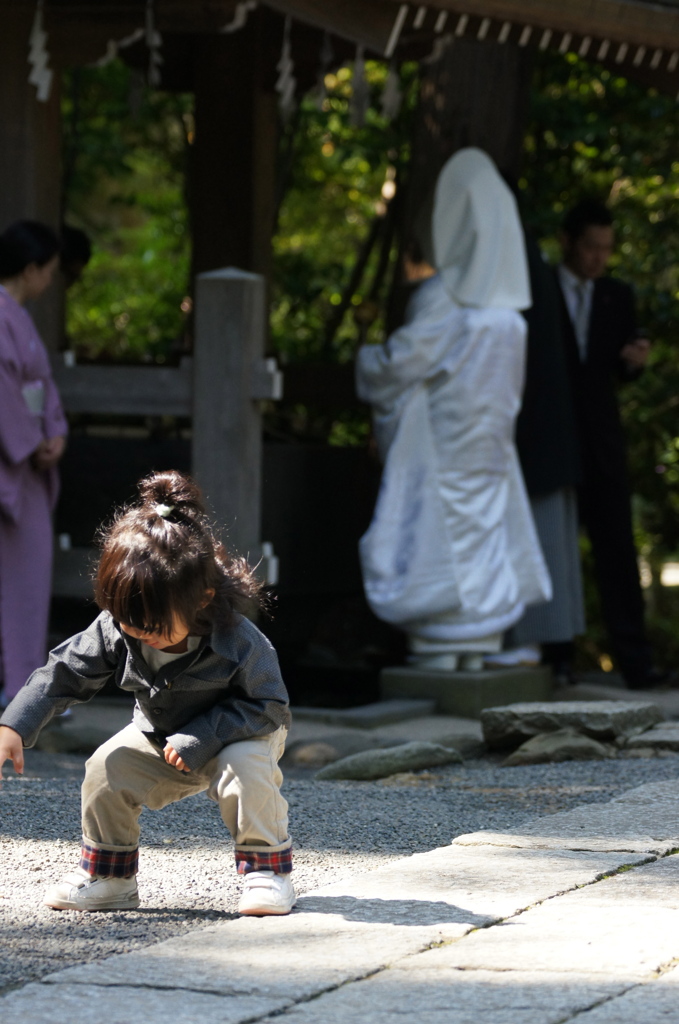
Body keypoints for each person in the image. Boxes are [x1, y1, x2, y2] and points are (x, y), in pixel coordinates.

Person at [0, 470, 295, 916]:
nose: (137, 632)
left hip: (240, 735)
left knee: (243, 767)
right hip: (159, 735)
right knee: (107, 766)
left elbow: (270, 706)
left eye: (151, 626)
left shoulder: (239, 642)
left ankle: (266, 870)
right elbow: (62, 672)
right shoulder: (120, 627)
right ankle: (111, 875)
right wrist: (14, 724)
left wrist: (202, 737)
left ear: (202, 597)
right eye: (125, 620)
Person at [356, 148, 551, 671]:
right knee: (484, 525)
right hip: (489, 446)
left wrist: (365, 357)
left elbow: (400, 365)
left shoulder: (447, 298)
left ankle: (443, 638)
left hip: (443, 443)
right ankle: (479, 638)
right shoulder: (511, 314)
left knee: (434, 529)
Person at [556, 199, 658, 689]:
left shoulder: (618, 294)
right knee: (553, 547)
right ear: (569, 243)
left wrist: (635, 361)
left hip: (602, 437)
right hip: (552, 436)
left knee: (616, 547)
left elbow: (621, 367)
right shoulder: (542, 289)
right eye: (591, 247)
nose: (599, 257)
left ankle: (635, 662)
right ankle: (555, 657)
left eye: (606, 248)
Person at [496, 229, 585, 678]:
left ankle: (534, 646)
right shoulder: (538, 274)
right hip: (551, 429)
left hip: (537, 434)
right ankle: (552, 652)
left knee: (538, 539)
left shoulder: (522, 275)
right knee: (546, 541)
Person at [0, 220, 68, 708]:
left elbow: (41, 388)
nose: (52, 279)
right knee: (15, 580)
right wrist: (29, 439)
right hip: (11, 462)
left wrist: (54, 432)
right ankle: (17, 689)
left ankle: (22, 690)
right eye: (49, 270)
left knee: (25, 578)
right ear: (30, 269)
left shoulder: (18, 317)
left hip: (26, 464)